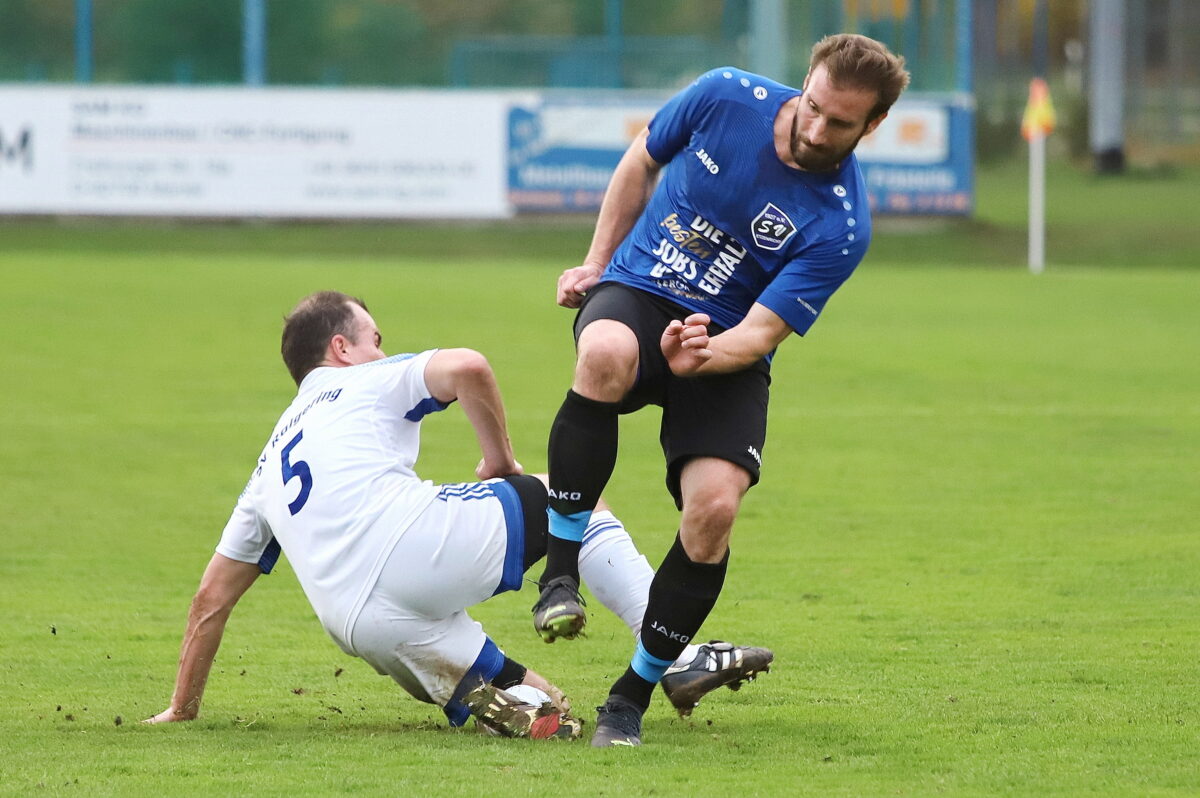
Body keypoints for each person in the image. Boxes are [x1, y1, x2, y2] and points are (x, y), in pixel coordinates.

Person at [145, 291, 771, 738]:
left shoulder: (268, 462)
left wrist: (183, 707)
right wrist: (499, 460)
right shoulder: (361, 380)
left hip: (359, 624)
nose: (381, 349)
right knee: (569, 492)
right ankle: (674, 652)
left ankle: (523, 703)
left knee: (549, 701)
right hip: (414, 546)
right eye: (374, 339)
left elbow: (210, 599)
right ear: (341, 348)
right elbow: (467, 365)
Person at [530, 34, 910, 746]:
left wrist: (700, 356)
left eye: (840, 123)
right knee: (605, 352)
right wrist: (595, 261)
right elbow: (640, 161)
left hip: (723, 344)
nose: (816, 129)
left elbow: (762, 334)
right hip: (640, 288)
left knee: (713, 510)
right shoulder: (725, 94)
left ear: (873, 126)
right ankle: (559, 578)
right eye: (814, 107)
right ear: (805, 81)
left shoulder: (841, 224)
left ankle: (630, 699)